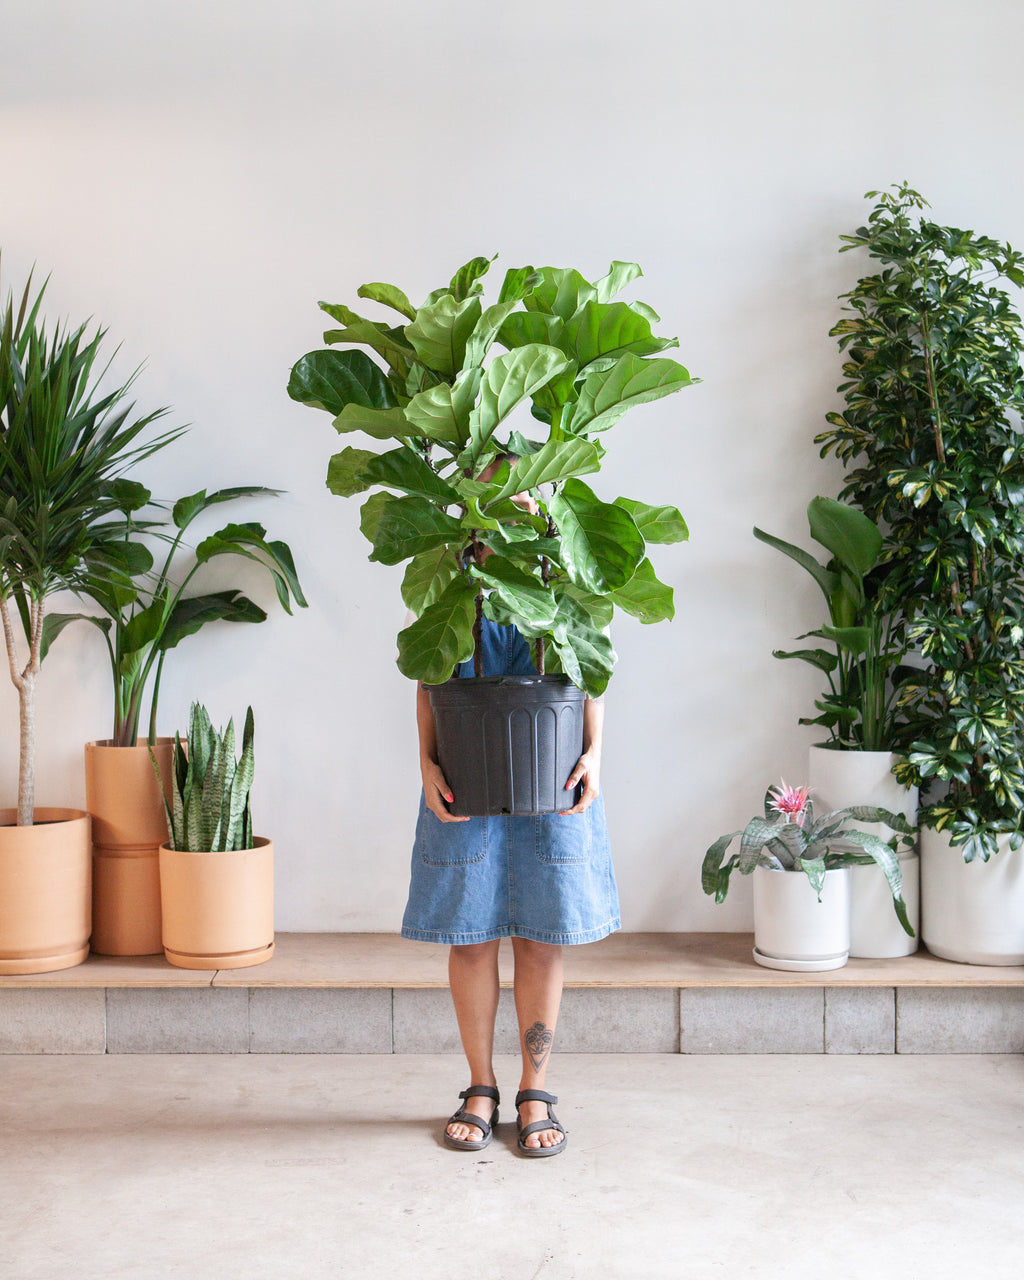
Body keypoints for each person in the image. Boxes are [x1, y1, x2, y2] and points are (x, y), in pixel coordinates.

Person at [400, 481, 620, 1158]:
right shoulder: (456, 581)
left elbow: (591, 670)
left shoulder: (566, 577)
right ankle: (479, 1085)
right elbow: (427, 678)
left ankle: (535, 1088)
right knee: (468, 936)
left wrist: (595, 755)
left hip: (552, 778)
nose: (511, 508)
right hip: (466, 780)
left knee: (541, 935)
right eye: (496, 496)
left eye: (524, 498)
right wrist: (426, 764)